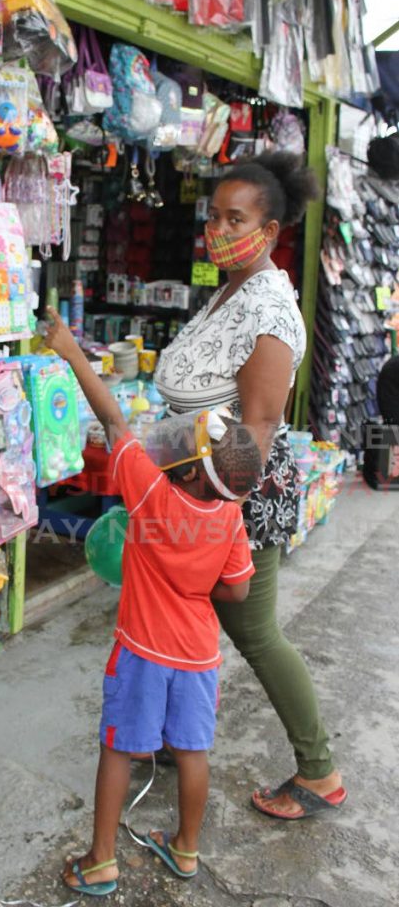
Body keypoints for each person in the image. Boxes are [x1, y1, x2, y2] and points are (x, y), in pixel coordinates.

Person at [154, 151, 347, 820]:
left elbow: (257, 429)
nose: (216, 228)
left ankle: (318, 771)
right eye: (212, 215)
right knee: (187, 615)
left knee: (255, 631)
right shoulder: (228, 287)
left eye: (234, 218)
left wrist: (213, 518)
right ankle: (167, 734)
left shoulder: (268, 307)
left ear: (269, 231)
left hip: (237, 495)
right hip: (196, 483)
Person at [43, 306, 262, 894]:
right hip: (197, 656)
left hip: (142, 649)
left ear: (191, 472)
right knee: (193, 752)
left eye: (191, 446)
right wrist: (199, 586)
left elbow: (113, 421)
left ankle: (102, 859)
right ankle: (186, 849)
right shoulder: (230, 517)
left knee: (120, 750)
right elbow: (238, 588)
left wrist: (70, 353)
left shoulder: (153, 495)